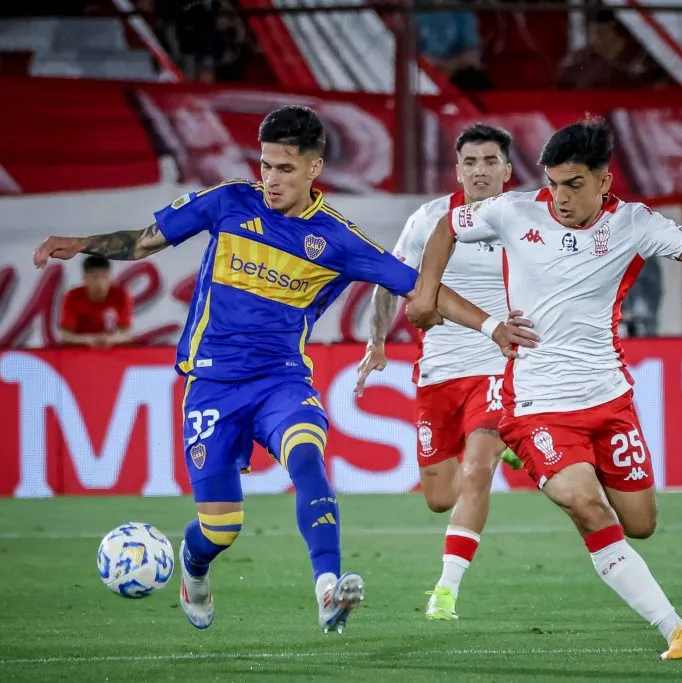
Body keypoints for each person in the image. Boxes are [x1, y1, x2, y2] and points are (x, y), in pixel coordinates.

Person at [32, 105, 537, 635]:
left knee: (307, 458)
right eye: (266, 166)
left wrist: (492, 327)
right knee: (220, 528)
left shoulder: (336, 238)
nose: (271, 179)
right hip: (212, 385)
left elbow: (419, 286)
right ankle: (195, 566)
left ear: (314, 169)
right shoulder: (229, 202)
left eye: (285, 169)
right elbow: (143, 241)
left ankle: (328, 590)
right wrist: (81, 244)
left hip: (281, 380)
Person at [406, 120, 682, 659]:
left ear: (604, 181)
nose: (561, 198)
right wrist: (426, 292)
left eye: (574, 184)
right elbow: (447, 226)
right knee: (587, 505)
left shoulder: (632, 224)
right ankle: (676, 630)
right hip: (537, 404)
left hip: (608, 400)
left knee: (640, 524)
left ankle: (559, 476)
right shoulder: (513, 211)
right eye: (554, 184)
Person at [354, 123, 522, 621]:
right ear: (458, 169)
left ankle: (445, 590)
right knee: (439, 496)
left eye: (490, 161)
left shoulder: (528, 220)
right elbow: (388, 282)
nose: (480, 171)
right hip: (439, 372)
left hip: (499, 364)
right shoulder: (430, 219)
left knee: (477, 470)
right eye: (470, 162)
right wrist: (377, 342)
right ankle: (511, 446)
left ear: (507, 170)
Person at [59, 255, 133, 348]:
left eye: (104, 276)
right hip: (81, 350)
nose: (100, 283)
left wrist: (110, 340)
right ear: (85, 278)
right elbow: (65, 336)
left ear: (110, 277)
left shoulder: (121, 295)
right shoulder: (72, 296)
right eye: (94, 277)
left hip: (111, 350)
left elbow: (127, 335)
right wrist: (88, 340)